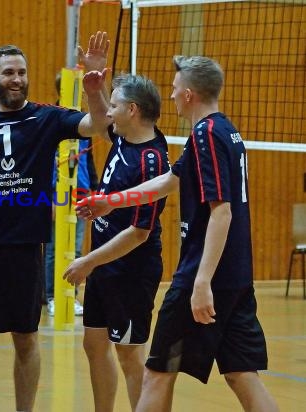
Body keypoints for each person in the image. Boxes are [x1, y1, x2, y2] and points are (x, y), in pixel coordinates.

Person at [77, 56, 279, 412]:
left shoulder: (207, 134)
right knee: (241, 375)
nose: (169, 96)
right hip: (235, 277)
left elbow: (222, 212)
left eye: (173, 89)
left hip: (203, 276)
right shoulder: (224, 130)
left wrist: (201, 282)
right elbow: (171, 181)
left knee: (158, 372)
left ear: (187, 95)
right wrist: (112, 201)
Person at [0, 31, 110, 411]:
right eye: (8, 72)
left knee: (25, 338)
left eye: (22, 72)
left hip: (24, 246)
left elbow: (99, 125)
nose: (17, 79)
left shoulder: (46, 118)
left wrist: (94, 84)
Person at [63, 72, 169, 411]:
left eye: (115, 105)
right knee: (94, 344)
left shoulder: (152, 162)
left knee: (128, 352)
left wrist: (88, 261)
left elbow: (139, 234)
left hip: (131, 270)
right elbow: (100, 119)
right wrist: (95, 89)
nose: (109, 112)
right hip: (105, 264)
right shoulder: (126, 135)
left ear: (133, 110)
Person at [45, 73, 100, 317]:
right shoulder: (53, 120)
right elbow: (47, 161)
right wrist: (50, 198)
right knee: (54, 249)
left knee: (75, 249)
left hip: (82, 192)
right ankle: (51, 296)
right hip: (58, 193)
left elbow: (88, 159)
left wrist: (95, 189)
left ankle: (70, 296)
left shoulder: (83, 120)